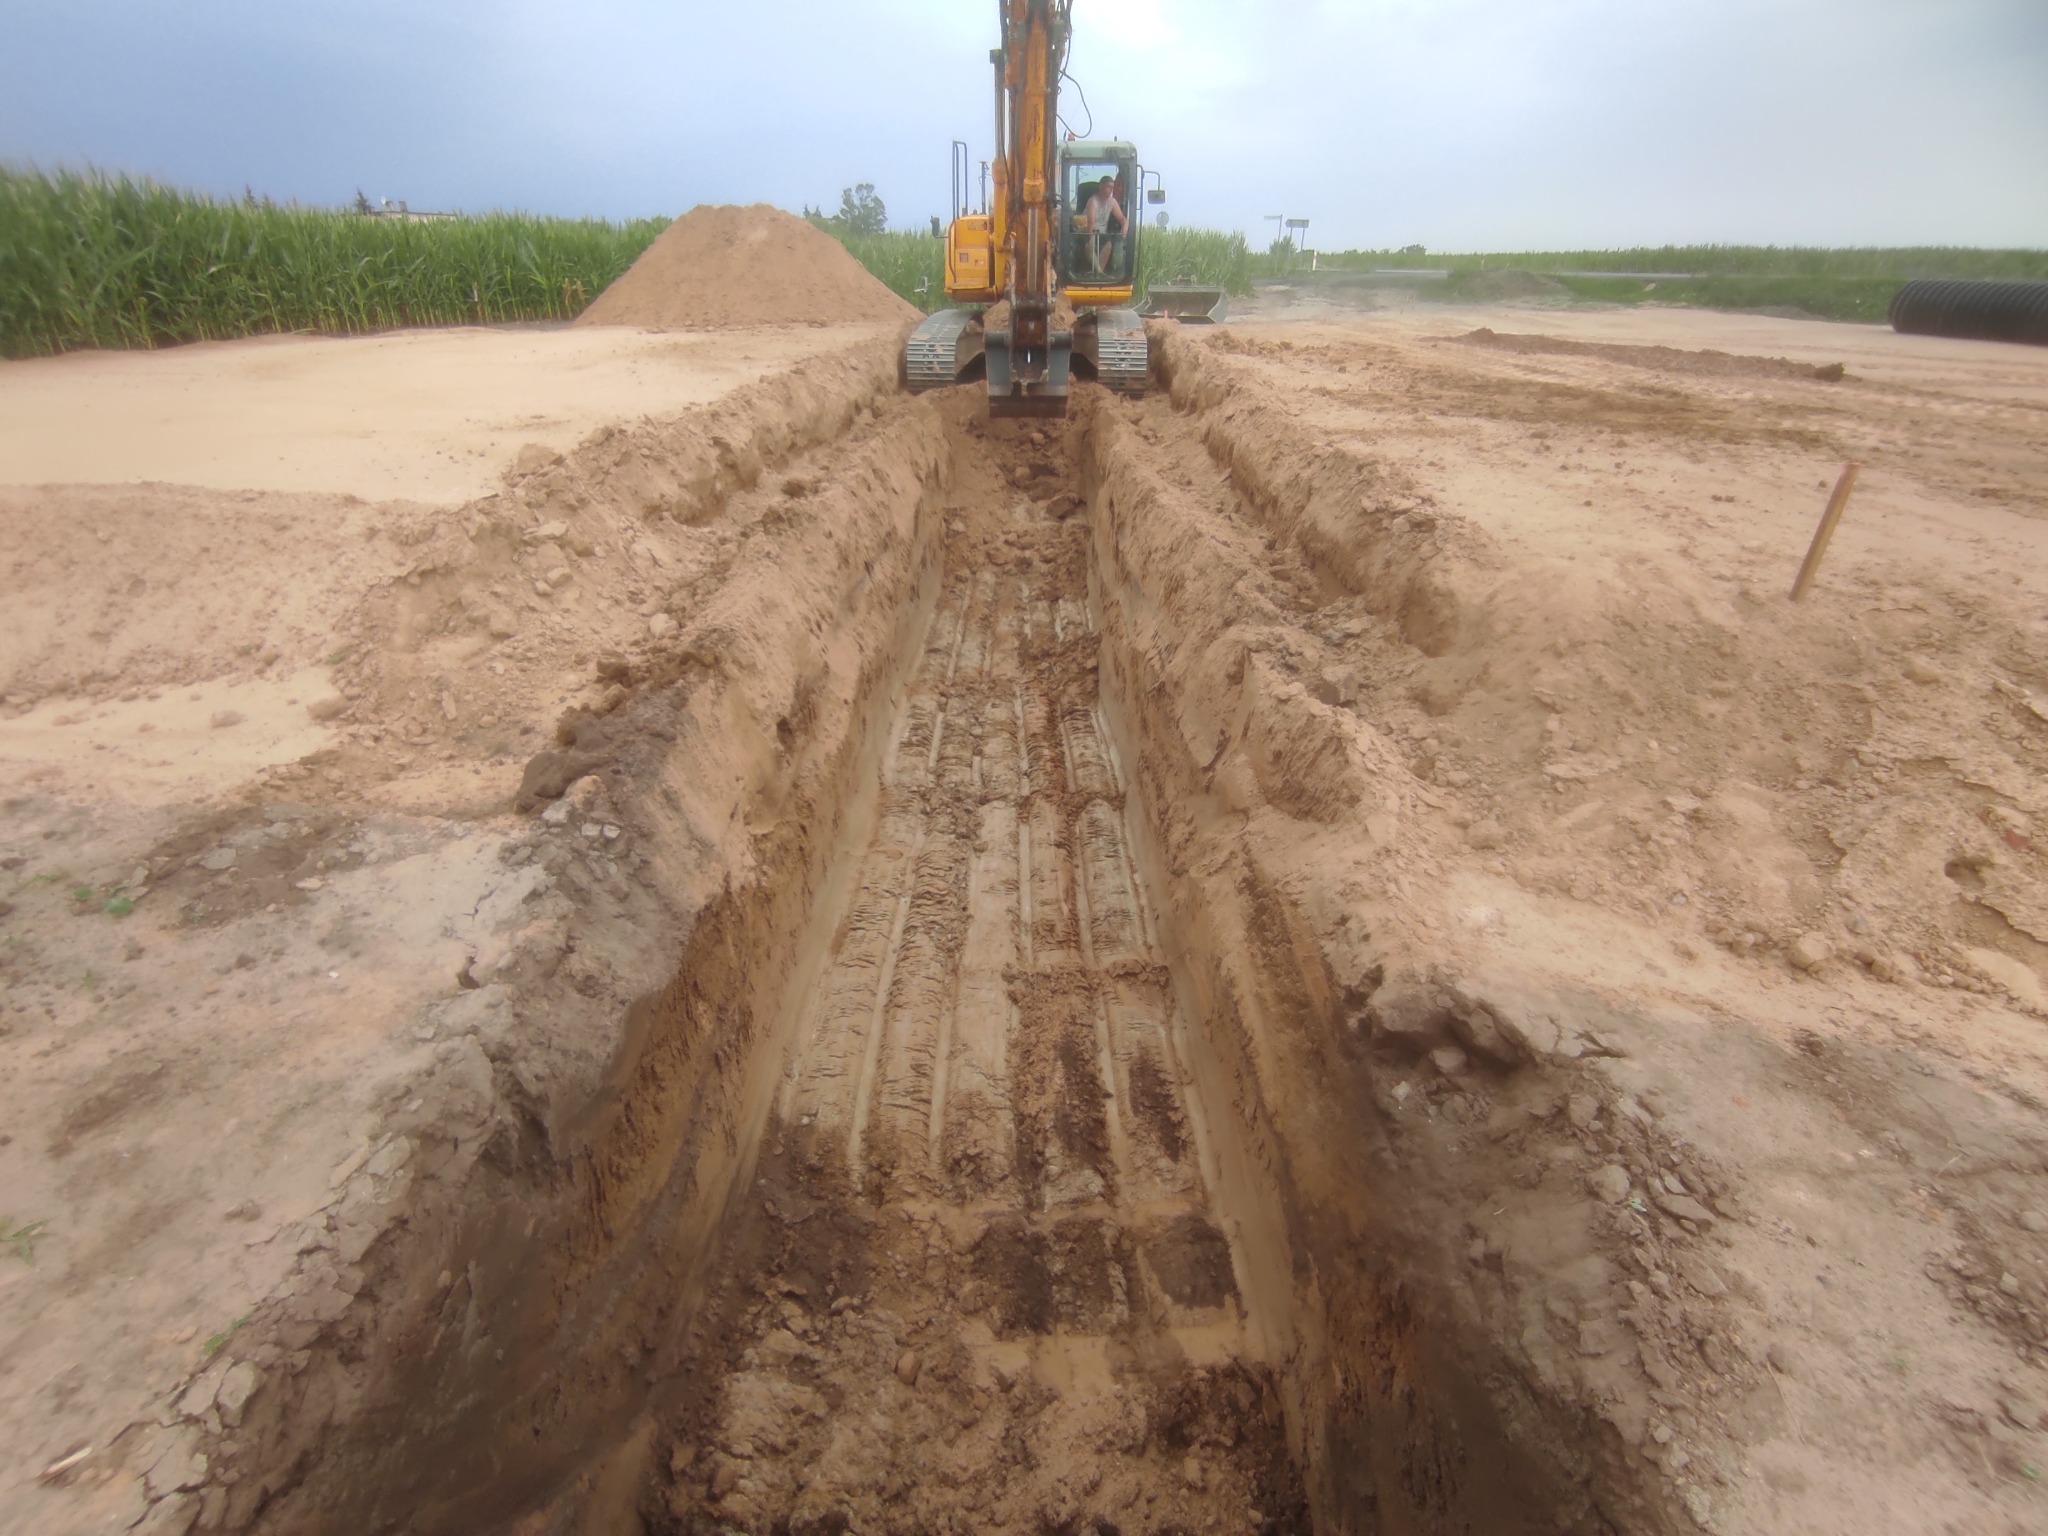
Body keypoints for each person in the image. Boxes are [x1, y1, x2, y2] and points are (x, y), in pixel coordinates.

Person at [1081, 174, 1127, 275]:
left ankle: (1098, 273)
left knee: (1109, 243)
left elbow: (1122, 218)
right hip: (1088, 231)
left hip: (1102, 233)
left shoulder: (1112, 202)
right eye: (1108, 187)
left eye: (1112, 187)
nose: (1111, 190)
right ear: (1100, 187)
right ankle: (1100, 273)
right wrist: (1091, 238)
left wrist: (1124, 227)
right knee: (1089, 246)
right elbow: (1090, 222)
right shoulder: (1093, 201)